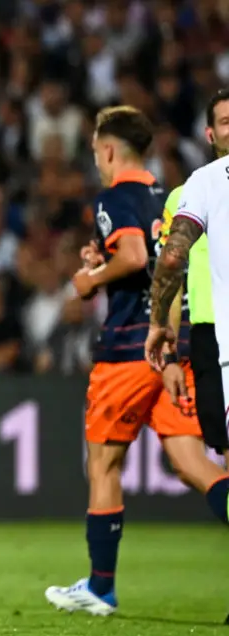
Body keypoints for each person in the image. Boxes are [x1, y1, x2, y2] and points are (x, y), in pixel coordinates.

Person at [44, 106, 218, 616]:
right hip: (173, 346)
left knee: (103, 464)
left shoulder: (115, 196)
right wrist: (108, 262)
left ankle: (101, 587)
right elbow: (160, 260)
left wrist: (90, 279)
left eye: (96, 152)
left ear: (108, 150)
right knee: (192, 465)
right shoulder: (168, 197)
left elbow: (137, 256)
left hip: (126, 349)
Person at [146, 101, 229, 533]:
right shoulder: (190, 193)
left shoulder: (196, 191)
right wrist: (171, 353)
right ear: (209, 134)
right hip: (213, 338)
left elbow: (171, 261)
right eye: (226, 121)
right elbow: (174, 274)